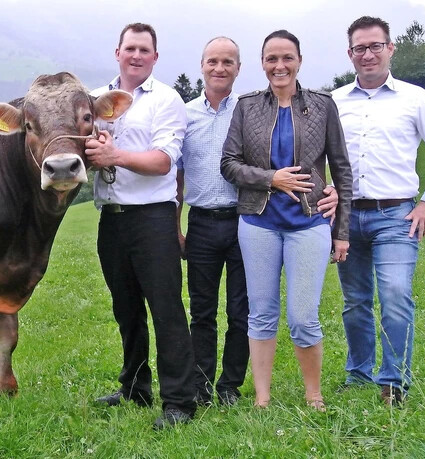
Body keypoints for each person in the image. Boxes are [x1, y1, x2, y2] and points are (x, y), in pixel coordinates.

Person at [177, 36, 340, 407]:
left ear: (239, 67)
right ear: (202, 65)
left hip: (246, 216)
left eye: (228, 62)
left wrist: (329, 192)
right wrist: (175, 225)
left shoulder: (251, 107)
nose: (219, 68)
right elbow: (180, 173)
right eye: (212, 61)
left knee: (244, 309)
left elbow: (325, 160)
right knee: (202, 310)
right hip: (208, 221)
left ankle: (230, 387)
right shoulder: (187, 114)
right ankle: (201, 386)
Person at [332, 16, 425, 406]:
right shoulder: (334, 102)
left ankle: (393, 382)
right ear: (350, 53)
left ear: (390, 48)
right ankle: (359, 374)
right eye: (360, 48)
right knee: (355, 301)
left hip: (396, 216)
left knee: (394, 294)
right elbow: (315, 151)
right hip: (346, 217)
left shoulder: (414, 98)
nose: (368, 54)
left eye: (376, 46)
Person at [220, 30, 352, 410]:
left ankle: (314, 393)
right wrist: (271, 179)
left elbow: (341, 169)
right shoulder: (246, 107)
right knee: (261, 312)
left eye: (287, 58)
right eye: (271, 59)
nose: (279, 66)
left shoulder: (323, 106)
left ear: (299, 61)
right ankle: (262, 397)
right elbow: (228, 164)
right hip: (258, 223)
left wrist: (341, 231)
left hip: (309, 223)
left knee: (303, 316)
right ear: (262, 63)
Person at [86, 22, 196, 429]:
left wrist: (113, 155)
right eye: (129, 48)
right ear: (118, 52)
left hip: (153, 218)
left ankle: (179, 402)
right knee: (126, 309)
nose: (136, 55)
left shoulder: (166, 100)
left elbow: (164, 161)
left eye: (144, 50)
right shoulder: (95, 99)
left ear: (155, 57)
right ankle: (135, 387)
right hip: (111, 219)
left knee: (166, 310)